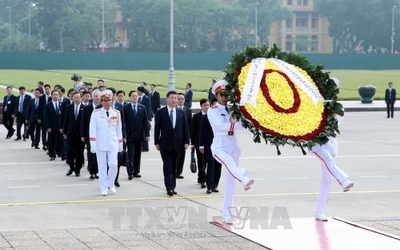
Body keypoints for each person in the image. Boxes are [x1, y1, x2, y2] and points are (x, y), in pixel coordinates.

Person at [207, 80, 254, 225]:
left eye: (226, 94)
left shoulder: (233, 109)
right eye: (221, 94)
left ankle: (227, 215)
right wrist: (234, 125)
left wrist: (235, 124)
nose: (224, 97)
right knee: (229, 164)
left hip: (233, 146)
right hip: (220, 146)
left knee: (230, 185)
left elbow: (243, 125)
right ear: (216, 95)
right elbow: (219, 126)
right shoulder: (212, 110)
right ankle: (243, 176)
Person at [311, 77, 354, 222]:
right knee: (328, 161)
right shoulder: (315, 103)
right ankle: (343, 179)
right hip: (316, 143)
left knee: (327, 180)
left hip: (331, 144)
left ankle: (319, 212)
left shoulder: (338, 106)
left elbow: (333, 124)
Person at [154, 90, 189, 196]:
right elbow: (157, 128)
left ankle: (173, 186)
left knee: (174, 167)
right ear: (167, 99)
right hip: (165, 144)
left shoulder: (181, 113)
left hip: (178, 144)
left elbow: (185, 128)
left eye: (176, 98)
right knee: (167, 166)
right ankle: (169, 187)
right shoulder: (161, 112)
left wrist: (186, 141)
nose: (174, 100)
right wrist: (156, 142)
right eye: (172, 98)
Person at [90, 90, 123, 196]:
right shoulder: (96, 113)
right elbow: (92, 129)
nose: (107, 103)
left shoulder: (116, 113)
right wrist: (93, 144)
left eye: (109, 100)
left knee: (113, 165)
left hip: (113, 143)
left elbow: (119, 130)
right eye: (105, 101)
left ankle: (111, 184)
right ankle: (103, 187)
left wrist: (120, 144)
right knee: (102, 167)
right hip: (100, 144)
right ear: (101, 101)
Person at [123, 90, 150, 179]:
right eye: (133, 96)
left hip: (139, 135)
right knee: (130, 153)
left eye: (136, 96)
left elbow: (145, 122)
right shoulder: (125, 108)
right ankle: (130, 171)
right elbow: (124, 123)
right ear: (130, 97)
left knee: (138, 154)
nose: (135, 97)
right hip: (129, 135)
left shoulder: (142, 107)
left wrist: (147, 134)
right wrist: (124, 135)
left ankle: (136, 171)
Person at [199, 99, 222, 194]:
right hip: (210, 145)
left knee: (218, 165)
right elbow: (201, 132)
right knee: (211, 165)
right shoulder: (206, 117)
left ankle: (215, 185)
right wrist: (201, 145)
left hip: (221, 145)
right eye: (215, 105)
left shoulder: (222, 116)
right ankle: (209, 186)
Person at [80, 89, 101, 180]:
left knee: (98, 154)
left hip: (100, 135)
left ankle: (96, 171)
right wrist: (83, 135)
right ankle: (92, 171)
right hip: (90, 135)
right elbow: (83, 122)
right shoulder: (87, 108)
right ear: (92, 97)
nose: (97, 98)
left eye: (99, 96)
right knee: (91, 153)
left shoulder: (102, 108)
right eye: (95, 96)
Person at [63, 91, 85, 177]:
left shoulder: (84, 108)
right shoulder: (68, 107)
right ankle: (71, 167)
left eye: (78, 97)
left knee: (79, 153)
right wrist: (65, 131)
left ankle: (77, 169)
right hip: (70, 133)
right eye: (74, 97)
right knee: (69, 152)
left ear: (81, 98)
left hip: (80, 135)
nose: (76, 99)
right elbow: (66, 120)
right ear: (72, 98)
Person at [190, 98, 210, 188]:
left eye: (208, 105)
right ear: (201, 106)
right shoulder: (196, 116)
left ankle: (200, 176)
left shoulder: (212, 116)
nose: (206, 107)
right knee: (201, 161)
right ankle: (203, 180)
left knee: (206, 162)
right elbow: (193, 130)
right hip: (199, 143)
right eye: (205, 105)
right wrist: (193, 143)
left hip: (209, 143)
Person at [176, 92, 192, 179]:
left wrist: (188, 138)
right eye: (179, 98)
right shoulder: (173, 109)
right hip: (175, 137)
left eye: (182, 99)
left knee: (182, 156)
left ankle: (179, 172)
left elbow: (190, 125)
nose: (181, 100)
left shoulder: (188, 110)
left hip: (184, 137)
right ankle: (173, 171)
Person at [43, 90, 62, 161]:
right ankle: (52, 154)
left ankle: (61, 154)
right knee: (51, 141)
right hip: (51, 127)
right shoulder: (47, 105)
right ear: (51, 96)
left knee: (60, 141)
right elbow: (46, 117)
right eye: (54, 95)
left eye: (57, 95)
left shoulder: (61, 104)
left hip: (59, 127)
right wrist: (48, 127)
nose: (55, 96)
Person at [138, 86, 152, 152]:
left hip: (145, 118)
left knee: (145, 133)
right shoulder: (139, 98)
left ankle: (145, 147)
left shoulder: (146, 98)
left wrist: (148, 119)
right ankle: (142, 146)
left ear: (140, 91)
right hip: (139, 118)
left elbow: (148, 109)